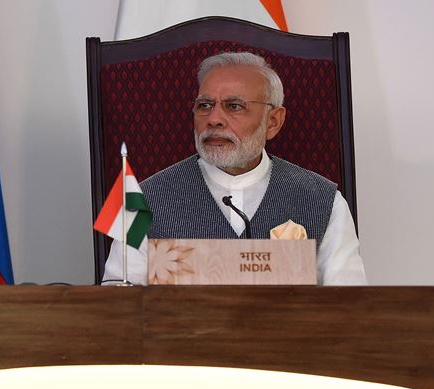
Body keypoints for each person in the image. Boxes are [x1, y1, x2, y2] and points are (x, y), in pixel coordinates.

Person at [103, 52, 366, 285]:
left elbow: (348, 310)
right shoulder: (139, 201)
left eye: (234, 106)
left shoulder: (322, 200)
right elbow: (118, 309)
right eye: (205, 105)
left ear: (273, 121)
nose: (214, 119)